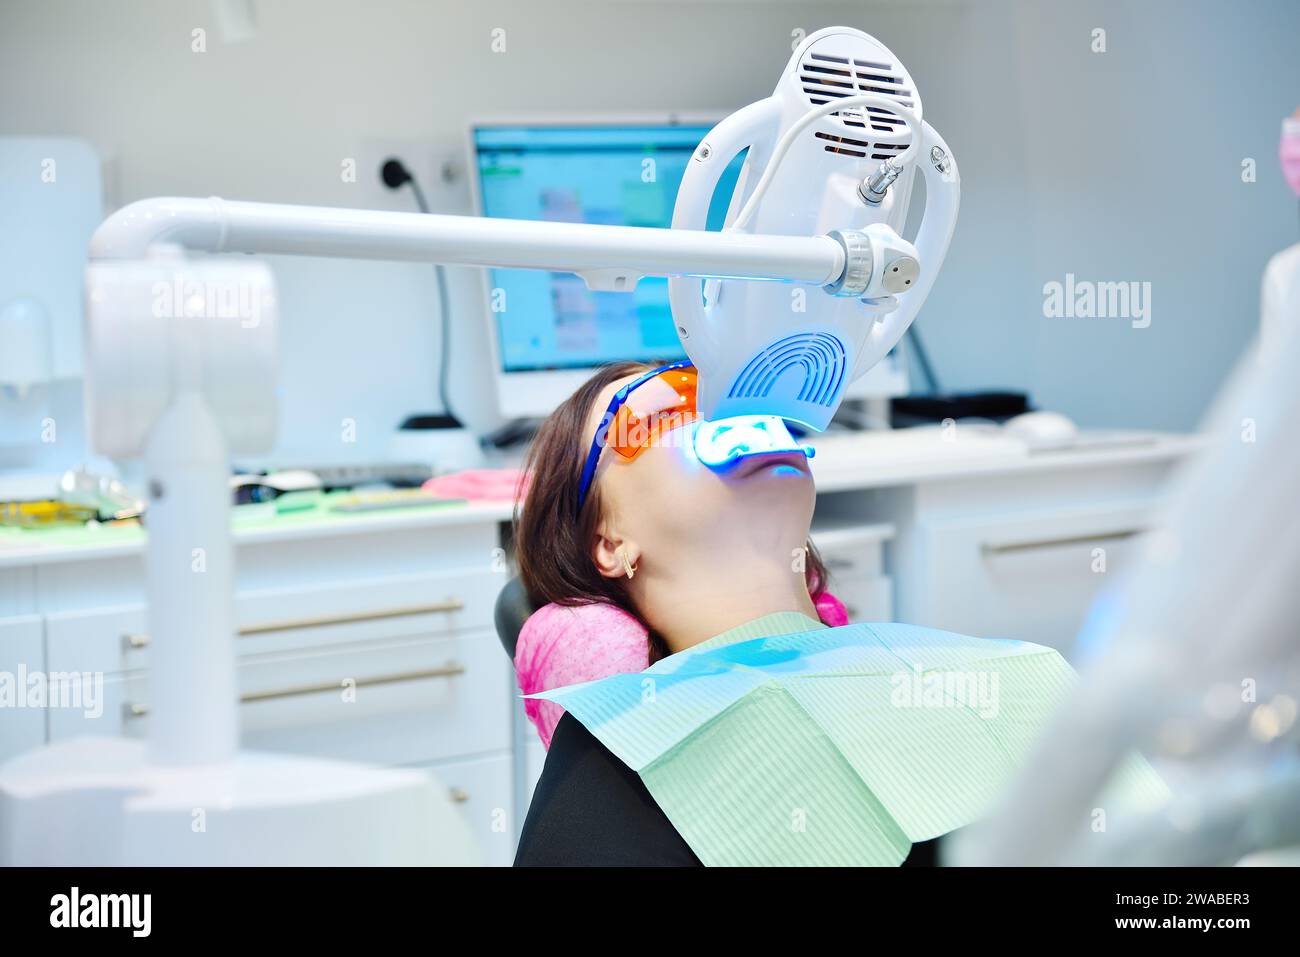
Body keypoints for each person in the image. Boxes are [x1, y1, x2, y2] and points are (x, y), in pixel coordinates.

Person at [510, 360, 941, 866]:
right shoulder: (609, 777)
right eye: (671, 403)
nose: (725, 416)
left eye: (736, 394)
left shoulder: (917, 682)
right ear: (608, 541)